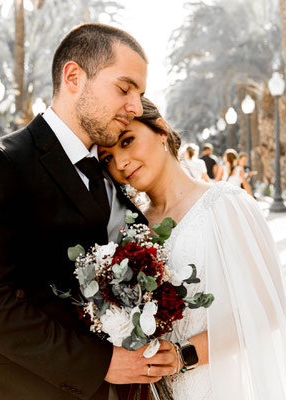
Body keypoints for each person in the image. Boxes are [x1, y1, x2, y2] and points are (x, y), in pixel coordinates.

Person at [0, 24, 177, 400]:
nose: (134, 106)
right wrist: (101, 363)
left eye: (140, 94)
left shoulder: (112, 177)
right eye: (124, 88)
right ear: (74, 77)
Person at [98, 97, 286, 400]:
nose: (120, 163)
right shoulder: (130, 230)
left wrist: (184, 356)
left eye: (128, 141)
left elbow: (269, 308)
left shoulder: (225, 205)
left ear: (160, 130)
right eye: (107, 158)